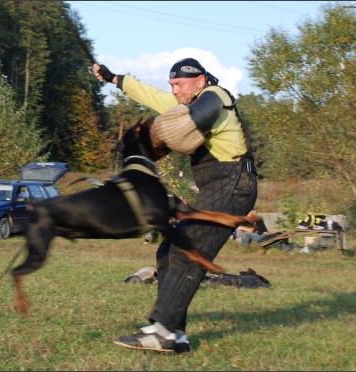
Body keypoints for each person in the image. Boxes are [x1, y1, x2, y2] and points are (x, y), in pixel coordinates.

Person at [93, 58, 257, 353]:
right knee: (168, 251)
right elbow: (154, 97)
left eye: (179, 84)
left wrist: (158, 134)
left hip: (233, 183)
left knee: (188, 250)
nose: (174, 90)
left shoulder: (216, 96)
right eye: (171, 84)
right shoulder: (189, 99)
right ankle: (174, 333)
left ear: (200, 80)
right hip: (218, 186)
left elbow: (193, 120)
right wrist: (115, 79)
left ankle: (164, 330)